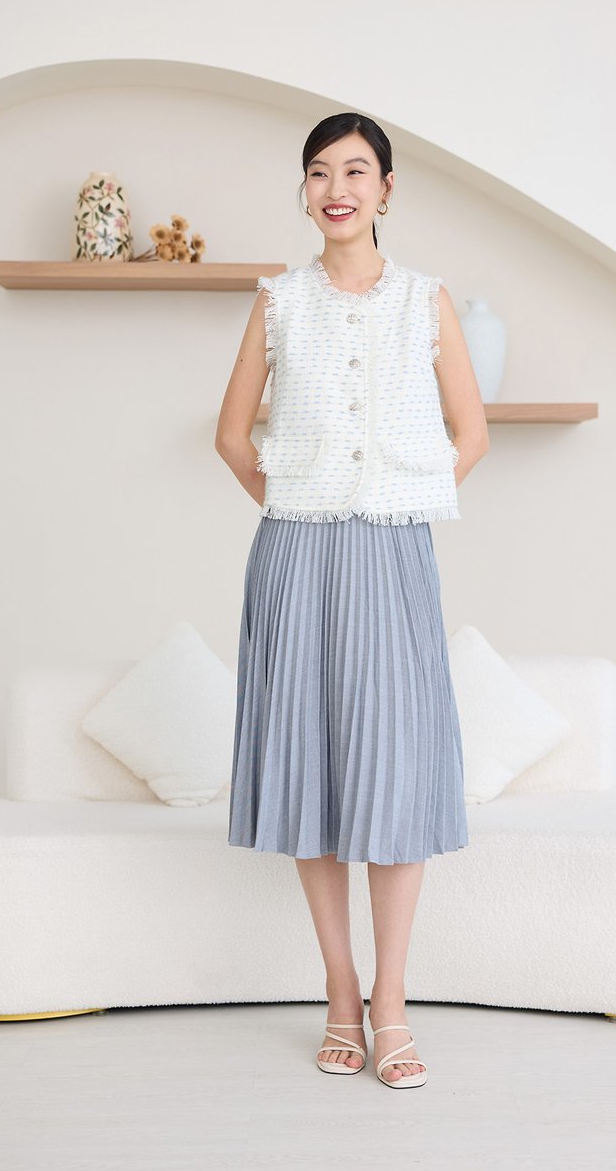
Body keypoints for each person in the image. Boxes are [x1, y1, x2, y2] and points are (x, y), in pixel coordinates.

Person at [215, 112, 489, 1088]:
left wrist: (401, 499)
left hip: (393, 553)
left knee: (395, 772)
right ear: (305, 191)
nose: (338, 188)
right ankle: (339, 996)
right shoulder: (277, 301)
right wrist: (299, 501)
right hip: (296, 556)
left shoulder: (425, 299)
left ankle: (392, 1002)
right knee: (313, 772)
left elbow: (470, 432)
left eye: (356, 171)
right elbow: (231, 436)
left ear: (385, 189)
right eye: (321, 172)